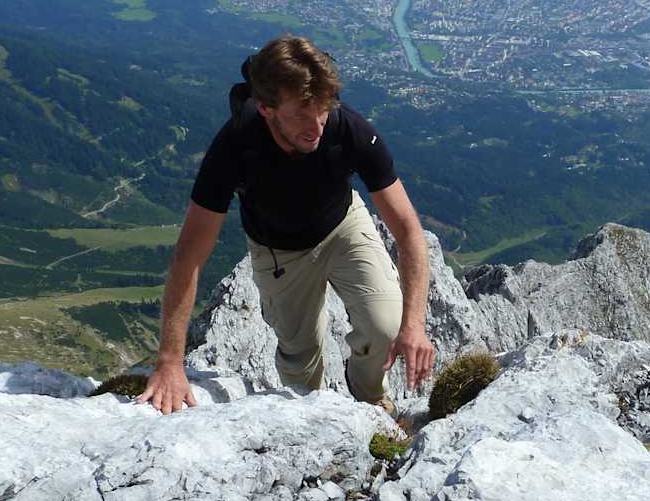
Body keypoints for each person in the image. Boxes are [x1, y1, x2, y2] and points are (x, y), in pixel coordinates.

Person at [137, 35, 435, 416]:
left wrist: (414, 325)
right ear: (266, 108)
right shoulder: (236, 146)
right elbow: (190, 253)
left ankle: (370, 397)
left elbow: (408, 228)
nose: (316, 127)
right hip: (278, 251)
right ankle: (311, 417)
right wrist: (170, 362)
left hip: (342, 224)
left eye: (322, 109)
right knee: (300, 361)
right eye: (300, 114)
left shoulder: (348, 128)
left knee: (386, 327)